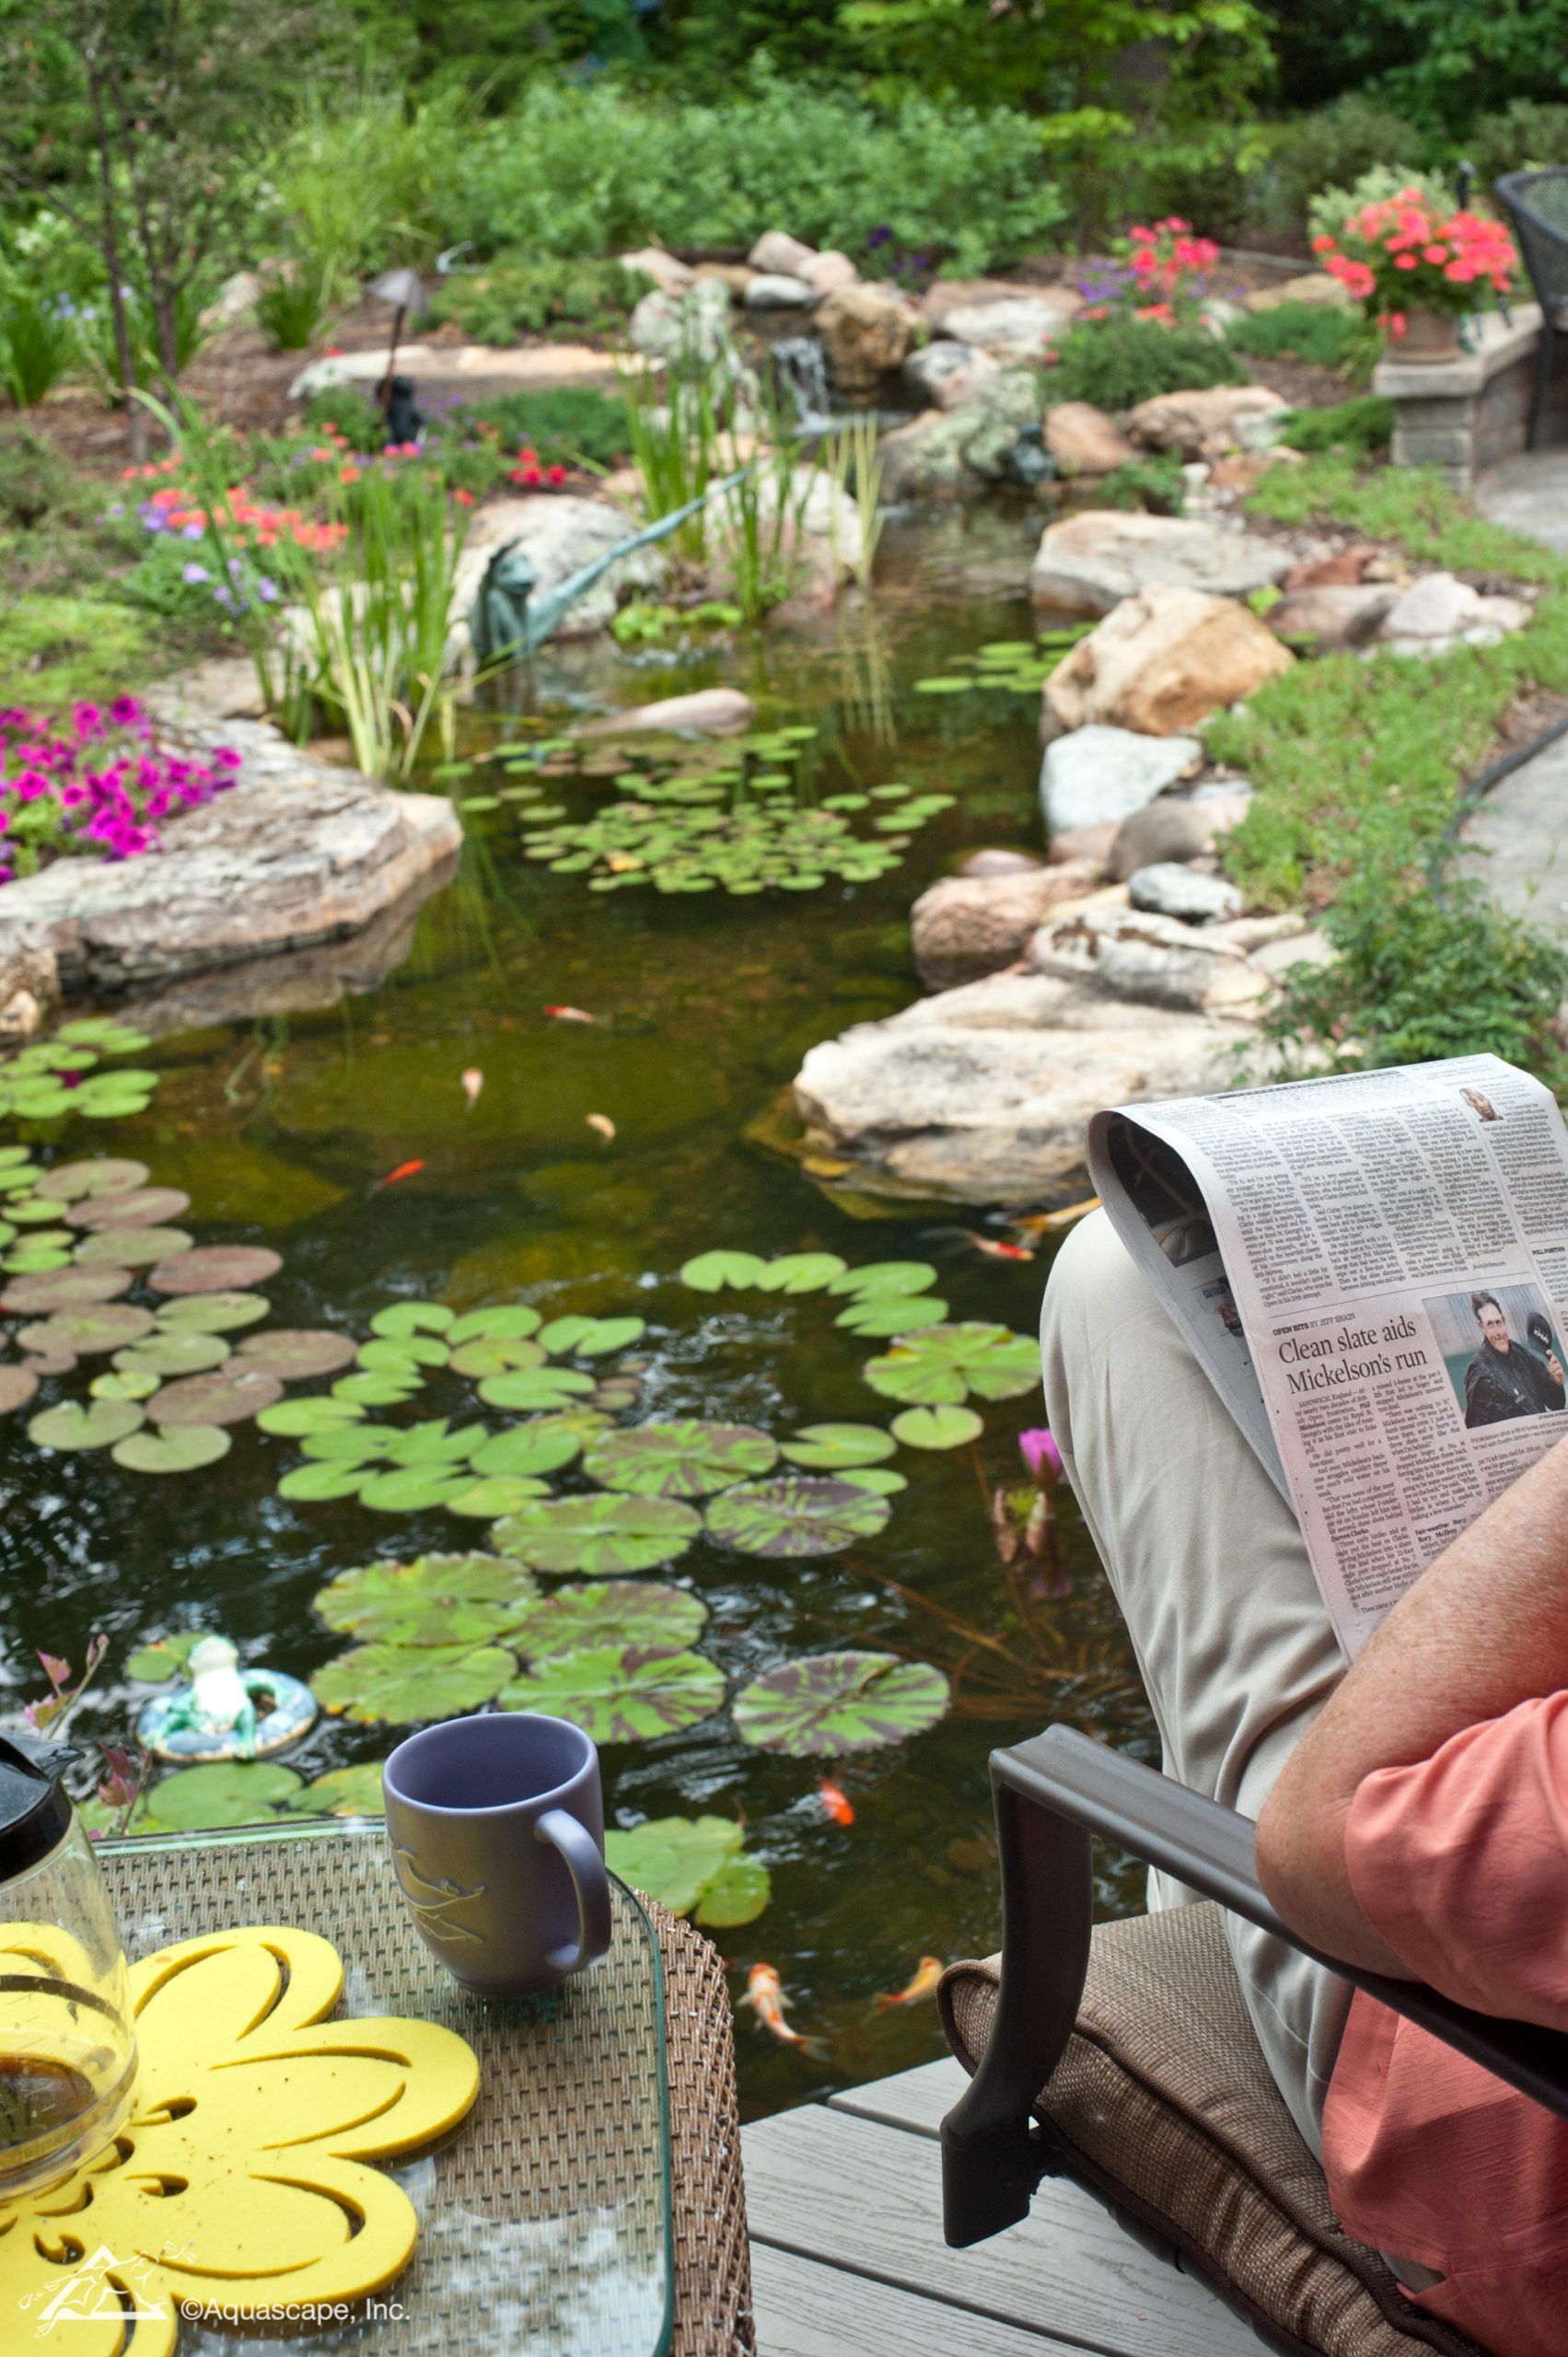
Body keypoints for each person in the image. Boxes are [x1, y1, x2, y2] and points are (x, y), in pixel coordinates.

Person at [1042, 1210, 1568, 2356]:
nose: (1488, 1322)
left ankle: (1205, 1920)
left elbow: (1323, 1840)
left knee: (1117, 1278)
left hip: (1487, 2123)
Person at [1462, 1291, 1565, 1426]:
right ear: (1481, 1326)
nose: (1498, 1332)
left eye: (1499, 1322)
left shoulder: (1521, 1354)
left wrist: (1557, 1383)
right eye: (1490, 1324)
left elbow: (1556, 1404)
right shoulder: (1479, 1372)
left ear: (1504, 1321)